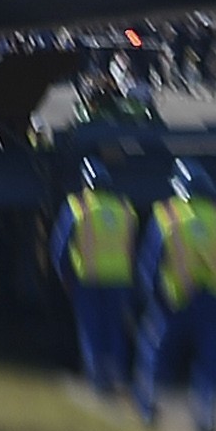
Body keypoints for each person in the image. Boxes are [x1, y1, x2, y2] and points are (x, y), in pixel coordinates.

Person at [140, 158, 216, 431]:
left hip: (175, 300)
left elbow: (152, 261)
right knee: (212, 362)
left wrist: (150, 296)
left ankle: (149, 406)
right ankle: (206, 417)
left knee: (158, 353)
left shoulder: (168, 216)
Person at [53, 160, 149, 414]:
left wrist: (63, 274)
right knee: (115, 328)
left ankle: (98, 380)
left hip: (88, 278)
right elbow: (134, 246)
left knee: (91, 329)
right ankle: (117, 374)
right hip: (119, 278)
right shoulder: (125, 209)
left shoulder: (78, 207)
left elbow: (61, 247)